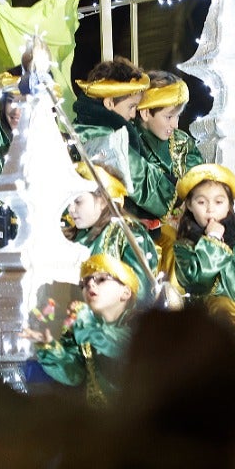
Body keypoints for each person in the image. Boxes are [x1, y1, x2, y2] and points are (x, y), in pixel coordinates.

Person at [71, 58, 178, 217]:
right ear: (109, 103)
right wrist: (179, 196)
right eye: (131, 106)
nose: (133, 114)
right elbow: (139, 178)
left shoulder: (92, 128)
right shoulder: (100, 137)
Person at [31, 253, 138, 406]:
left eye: (101, 279)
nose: (89, 285)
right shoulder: (82, 325)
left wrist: (86, 323)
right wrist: (49, 349)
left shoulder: (140, 323)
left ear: (126, 292)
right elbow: (75, 375)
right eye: (84, 283)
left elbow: (118, 345)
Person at [173, 163, 235, 306]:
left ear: (229, 205)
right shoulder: (184, 248)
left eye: (218, 202)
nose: (210, 209)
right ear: (190, 205)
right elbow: (197, 280)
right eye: (201, 202)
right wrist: (213, 238)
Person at [67, 161, 159, 298]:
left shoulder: (128, 234)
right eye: (68, 201)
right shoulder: (75, 233)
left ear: (103, 201)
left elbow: (139, 292)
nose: (70, 209)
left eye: (78, 201)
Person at [132, 70, 204, 194]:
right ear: (146, 113)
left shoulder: (183, 143)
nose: (175, 125)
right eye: (169, 117)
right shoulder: (131, 141)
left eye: (178, 116)